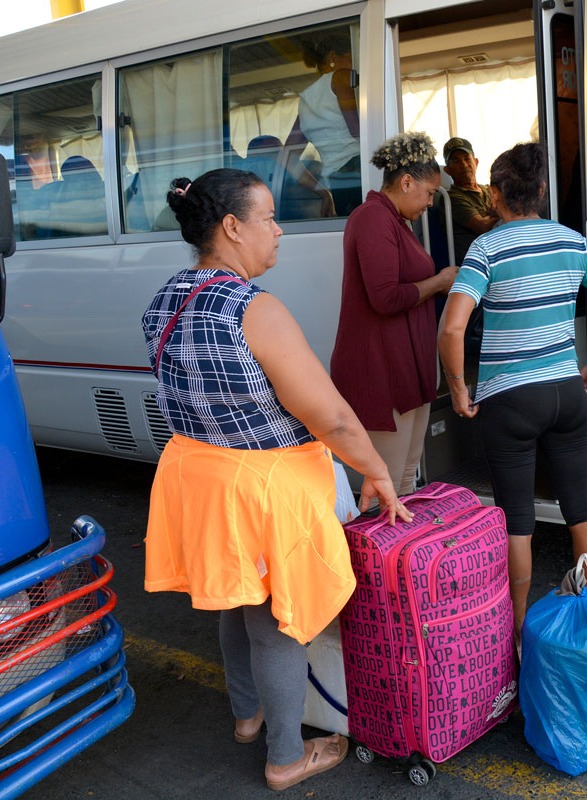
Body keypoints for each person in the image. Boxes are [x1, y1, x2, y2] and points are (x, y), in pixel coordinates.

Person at [141, 168, 410, 792]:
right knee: (278, 622)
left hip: (195, 475)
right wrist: (377, 472)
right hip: (260, 486)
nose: (279, 230)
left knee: (234, 599)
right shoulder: (253, 308)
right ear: (233, 228)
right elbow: (332, 418)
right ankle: (287, 756)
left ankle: (247, 716)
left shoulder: (166, 299)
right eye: (268, 218)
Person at [437, 142, 587, 638]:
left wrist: (459, 389)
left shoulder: (486, 249)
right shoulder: (573, 242)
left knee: (517, 520)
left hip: (510, 400)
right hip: (568, 393)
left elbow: (452, 328)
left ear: (494, 194)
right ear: (542, 191)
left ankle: (516, 630)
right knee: (581, 509)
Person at [330, 132, 458, 495]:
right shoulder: (373, 217)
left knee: (403, 481)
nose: (431, 202)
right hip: (382, 369)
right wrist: (439, 281)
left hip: (404, 367)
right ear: (406, 182)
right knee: (388, 486)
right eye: (429, 193)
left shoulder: (395, 220)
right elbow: (385, 298)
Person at [280, 31, 361, 218]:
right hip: (360, 169)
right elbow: (357, 131)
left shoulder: (305, 101)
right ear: (333, 57)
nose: (355, 66)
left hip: (337, 182)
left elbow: (288, 158)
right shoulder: (342, 76)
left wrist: (324, 192)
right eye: (352, 59)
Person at [442, 137, 498, 260]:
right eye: (456, 161)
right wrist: (502, 211)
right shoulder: (450, 198)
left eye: (467, 158)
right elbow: (483, 226)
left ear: (476, 162)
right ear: (447, 170)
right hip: (477, 263)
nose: (464, 165)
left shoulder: (489, 189)